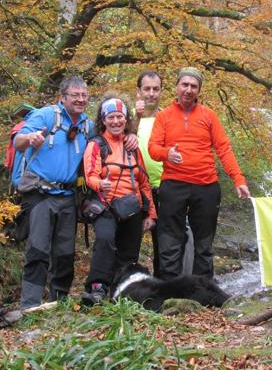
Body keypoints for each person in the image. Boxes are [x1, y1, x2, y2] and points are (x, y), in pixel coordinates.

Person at [148, 67, 250, 279]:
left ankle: (203, 290)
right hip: (173, 185)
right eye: (184, 84)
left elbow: (223, 148)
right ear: (176, 87)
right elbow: (153, 149)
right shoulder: (164, 116)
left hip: (206, 186)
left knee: (204, 244)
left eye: (194, 86)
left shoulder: (209, 116)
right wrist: (168, 153)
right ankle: (171, 292)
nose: (188, 89)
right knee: (170, 242)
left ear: (199, 90)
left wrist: (238, 179)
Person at [13, 76, 93, 310]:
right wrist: (30, 138)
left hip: (68, 197)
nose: (80, 99)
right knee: (37, 249)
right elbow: (18, 141)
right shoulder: (46, 116)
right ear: (62, 97)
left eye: (84, 95)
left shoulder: (87, 125)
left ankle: (58, 303)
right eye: (75, 95)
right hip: (40, 193)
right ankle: (29, 306)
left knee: (65, 254)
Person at [81, 97, 157, 305]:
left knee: (130, 251)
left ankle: (120, 291)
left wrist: (151, 213)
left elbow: (144, 181)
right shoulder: (96, 145)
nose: (116, 122)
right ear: (103, 120)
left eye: (120, 117)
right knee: (105, 240)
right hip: (105, 205)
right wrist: (99, 184)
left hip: (132, 206)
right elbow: (90, 174)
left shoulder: (132, 146)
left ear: (126, 120)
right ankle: (97, 287)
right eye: (111, 117)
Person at [135, 70, 195, 276]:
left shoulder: (169, 117)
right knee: (131, 241)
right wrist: (135, 116)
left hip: (166, 187)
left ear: (161, 91)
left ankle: (167, 288)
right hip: (136, 190)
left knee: (168, 243)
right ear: (139, 91)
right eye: (147, 89)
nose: (151, 94)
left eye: (156, 89)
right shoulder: (126, 120)